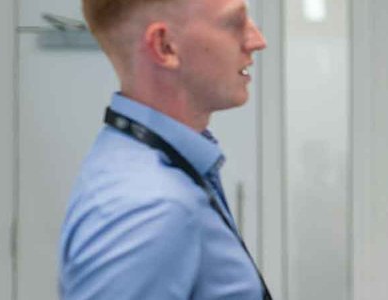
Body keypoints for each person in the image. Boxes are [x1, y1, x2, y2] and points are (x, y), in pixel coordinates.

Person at [58, 0, 270, 298]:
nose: (257, 41)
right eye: (235, 22)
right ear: (165, 46)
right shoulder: (147, 209)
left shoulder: (153, 167)